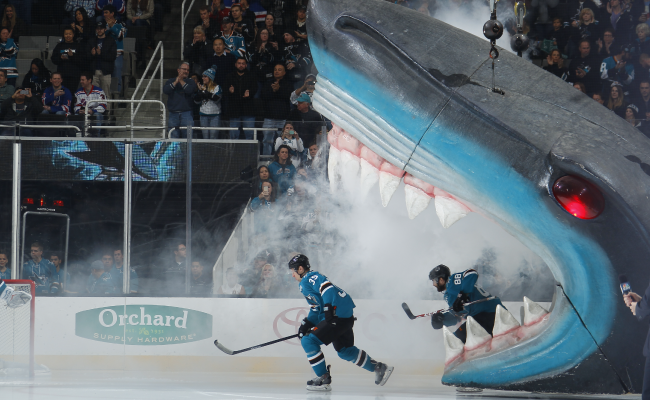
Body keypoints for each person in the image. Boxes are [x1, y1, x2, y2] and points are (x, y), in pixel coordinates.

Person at [287, 254, 394, 391]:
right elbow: (316, 308)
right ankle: (379, 368)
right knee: (345, 351)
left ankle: (323, 378)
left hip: (337, 316)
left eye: (293, 271)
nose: (292, 275)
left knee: (308, 342)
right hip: (343, 317)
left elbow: (327, 287)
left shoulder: (310, 277)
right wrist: (307, 323)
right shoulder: (305, 284)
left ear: (300, 269)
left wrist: (329, 308)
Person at [428, 264, 504, 343]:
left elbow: (471, 273)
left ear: (441, 280)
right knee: (455, 339)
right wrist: (442, 320)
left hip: (489, 313)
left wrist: (463, 295)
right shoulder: (449, 296)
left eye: (433, 280)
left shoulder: (452, 281)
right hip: (482, 317)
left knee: (455, 340)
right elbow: (458, 316)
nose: (433, 284)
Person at [261, 63, 294, 155]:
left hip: (283, 118)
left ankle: (282, 159)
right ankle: (266, 160)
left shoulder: (288, 84)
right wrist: (274, 90)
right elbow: (263, 96)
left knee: (284, 140)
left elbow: (289, 97)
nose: (277, 71)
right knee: (267, 141)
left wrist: (279, 89)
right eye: (275, 69)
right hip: (269, 117)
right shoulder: (268, 83)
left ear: (284, 72)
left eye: (279, 70)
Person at [225, 56, 256, 139]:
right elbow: (224, 91)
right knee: (233, 134)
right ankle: (233, 152)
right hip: (234, 109)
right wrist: (229, 91)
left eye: (243, 64)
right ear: (235, 64)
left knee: (249, 134)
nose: (241, 65)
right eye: (239, 63)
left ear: (246, 65)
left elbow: (255, 89)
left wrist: (250, 93)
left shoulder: (252, 76)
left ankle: (249, 152)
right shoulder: (229, 76)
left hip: (248, 109)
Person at [164, 62, 197, 138]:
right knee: (173, 138)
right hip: (173, 114)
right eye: (184, 69)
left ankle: (188, 151)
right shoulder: (170, 81)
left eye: (188, 70)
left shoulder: (191, 81)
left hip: (187, 114)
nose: (186, 71)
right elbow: (166, 90)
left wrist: (181, 81)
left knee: (188, 138)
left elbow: (190, 90)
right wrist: (176, 82)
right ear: (178, 70)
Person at [88, 20, 118, 102]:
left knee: (106, 94)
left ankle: (107, 114)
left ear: (105, 29)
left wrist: (101, 53)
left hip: (106, 72)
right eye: (97, 28)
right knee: (93, 95)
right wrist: (92, 54)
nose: (99, 30)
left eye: (101, 28)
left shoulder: (111, 41)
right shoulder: (91, 41)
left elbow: (112, 57)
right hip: (94, 72)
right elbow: (86, 57)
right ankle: (94, 113)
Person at [52, 27, 89, 91]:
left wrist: (72, 56)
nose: (68, 36)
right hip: (62, 76)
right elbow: (53, 59)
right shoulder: (59, 46)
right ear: (63, 35)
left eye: (70, 34)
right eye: (66, 34)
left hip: (74, 76)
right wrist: (60, 58)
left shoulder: (78, 46)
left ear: (73, 34)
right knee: (62, 93)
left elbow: (83, 61)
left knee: (72, 94)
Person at [74, 71, 107, 136]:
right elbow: (76, 106)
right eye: (80, 80)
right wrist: (79, 110)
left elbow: (103, 106)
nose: (81, 82)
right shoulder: (78, 92)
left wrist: (92, 111)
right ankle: (79, 135)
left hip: (94, 112)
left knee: (97, 115)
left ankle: (96, 136)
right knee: (76, 116)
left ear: (89, 80)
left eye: (83, 80)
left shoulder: (99, 91)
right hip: (83, 113)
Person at [103, 4, 126, 93]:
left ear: (112, 13)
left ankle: (117, 101)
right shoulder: (102, 25)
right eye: (104, 13)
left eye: (106, 12)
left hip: (117, 55)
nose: (104, 14)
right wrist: (108, 27)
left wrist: (112, 27)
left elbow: (121, 36)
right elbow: (99, 35)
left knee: (116, 78)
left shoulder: (121, 24)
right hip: (105, 55)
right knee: (106, 79)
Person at [195, 65, 222, 139]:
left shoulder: (217, 87)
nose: (203, 78)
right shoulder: (201, 87)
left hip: (215, 115)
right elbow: (196, 102)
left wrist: (206, 93)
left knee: (213, 136)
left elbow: (217, 99)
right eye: (202, 76)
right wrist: (200, 93)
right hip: (203, 114)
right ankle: (206, 150)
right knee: (205, 137)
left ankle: (213, 150)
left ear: (210, 78)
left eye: (205, 76)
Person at [251, 28, 280, 93]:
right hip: (256, 76)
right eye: (263, 33)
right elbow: (252, 60)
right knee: (256, 96)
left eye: (266, 34)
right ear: (259, 34)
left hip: (269, 76)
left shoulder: (272, 45)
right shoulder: (253, 45)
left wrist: (275, 50)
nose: (264, 35)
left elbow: (273, 60)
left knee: (267, 95)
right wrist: (259, 51)